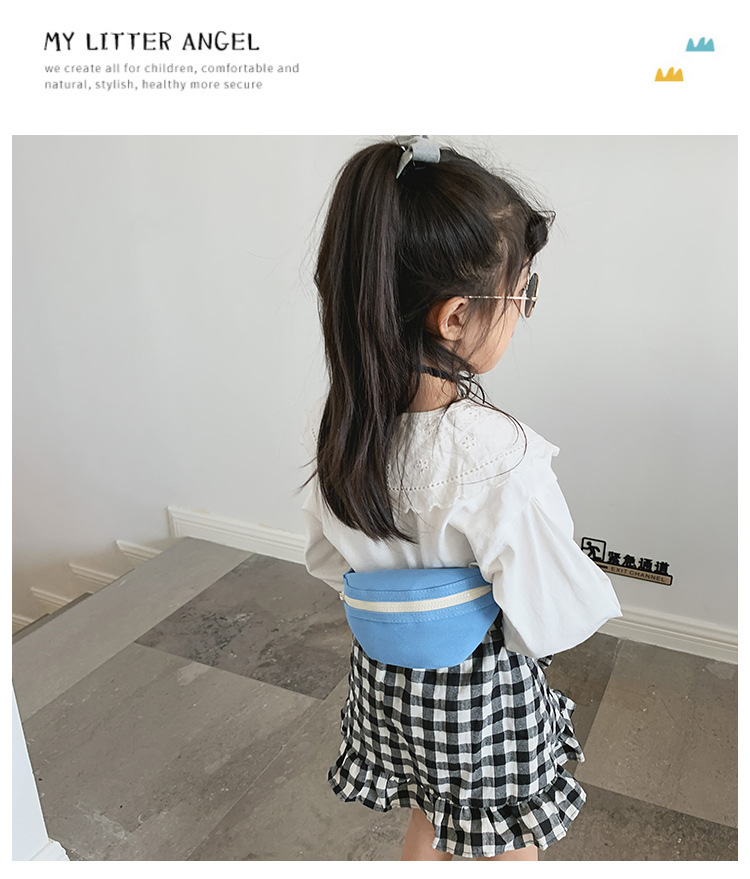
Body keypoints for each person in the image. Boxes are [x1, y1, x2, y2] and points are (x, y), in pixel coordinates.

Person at [299, 137, 622, 861]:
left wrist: (407, 608)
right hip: (481, 698)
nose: (522, 310)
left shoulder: (344, 432)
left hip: (388, 688)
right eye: (521, 294)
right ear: (453, 318)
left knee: (431, 812)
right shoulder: (498, 454)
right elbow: (549, 611)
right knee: (510, 837)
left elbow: (327, 562)